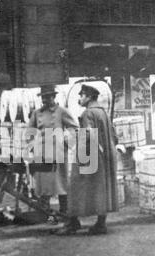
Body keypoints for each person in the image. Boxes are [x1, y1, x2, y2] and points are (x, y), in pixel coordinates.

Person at [57, 84, 119, 235]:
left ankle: (73, 222)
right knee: (101, 188)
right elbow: (114, 136)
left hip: (91, 154)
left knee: (75, 186)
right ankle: (100, 223)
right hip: (106, 155)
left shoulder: (87, 114)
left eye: (82, 95)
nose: (80, 98)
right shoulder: (102, 112)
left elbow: (89, 135)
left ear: (89, 97)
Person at [28, 84, 79, 223]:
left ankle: (64, 213)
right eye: (43, 97)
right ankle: (46, 215)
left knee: (61, 184)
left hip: (58, 153)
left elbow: (75, 128)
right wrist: (33, 147)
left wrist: (67, 144)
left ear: (54, 96)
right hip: (42, 154)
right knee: (44, 185)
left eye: (48, 96)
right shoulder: (36, 113)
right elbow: (29, 133)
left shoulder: (62, 111)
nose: (45, 100)